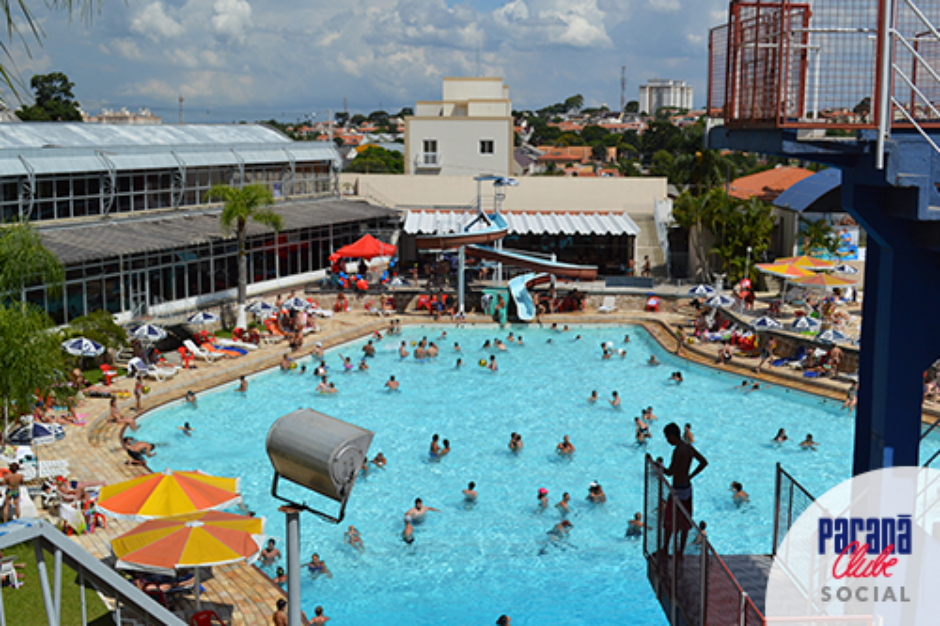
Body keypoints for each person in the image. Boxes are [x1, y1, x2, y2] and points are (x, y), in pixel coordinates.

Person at [661, 422, 709, 558]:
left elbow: (670, 472)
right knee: (685, 522)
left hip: (677, 489)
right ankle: (680, 552)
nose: (667, 441)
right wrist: (691, 475)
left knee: (670, 521)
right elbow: (704, 462)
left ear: (672, 436)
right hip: (687, 488)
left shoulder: (678, 451)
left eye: (667, 438)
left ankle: (665, 549)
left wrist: (659, 467)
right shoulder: (688, 448)